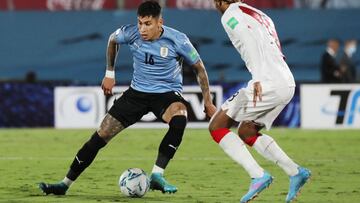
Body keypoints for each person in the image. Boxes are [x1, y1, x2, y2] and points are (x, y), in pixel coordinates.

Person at [39, 0, 216, 195]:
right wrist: (109, 73)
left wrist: (207, 101)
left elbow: (199, 67)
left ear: (160, 23)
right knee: (101, 136)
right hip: (136, 94)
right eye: (140, 23)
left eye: (148, 24)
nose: (142, 29)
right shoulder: (130, 33)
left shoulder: (178, 40)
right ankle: (64, 184)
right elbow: (112, 40)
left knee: (180, 116)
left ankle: (157, 174)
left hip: (166, 94)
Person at [209, 1, 311, 203]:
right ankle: (295, 172)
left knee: (217, 126)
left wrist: (256, 78)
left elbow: (249, 41)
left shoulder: (229, 14)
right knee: (247, 131)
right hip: (285, 80)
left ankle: (258, 176)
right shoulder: (258, 13)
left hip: (266, 82)